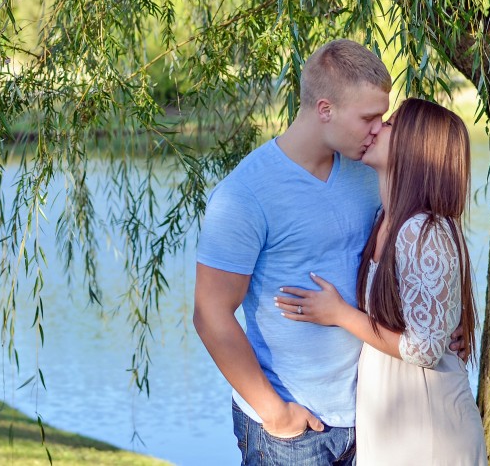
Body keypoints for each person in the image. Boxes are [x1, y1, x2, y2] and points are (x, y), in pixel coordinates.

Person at [193, 40, 463, 465]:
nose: (378, 128)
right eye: (368, 118)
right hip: (293, 431)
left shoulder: (368, 172)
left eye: (383, 117)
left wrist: (443, 322)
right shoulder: (244, 195)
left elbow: (415, 252)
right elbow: (210, 314)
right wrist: (275, 413)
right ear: (325, 110)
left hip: (373, 418)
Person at [273, 98, 487, 465]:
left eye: (389, 124)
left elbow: (425, 349)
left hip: (425, 425)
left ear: (415, 147)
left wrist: (339, 314)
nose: (376, 128)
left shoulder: (422, 230)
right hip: (392, 416)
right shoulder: (384, 217)